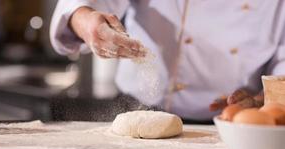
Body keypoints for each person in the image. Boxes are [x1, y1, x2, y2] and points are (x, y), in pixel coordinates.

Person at [50, 0, 285, 121]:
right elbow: (81, 6)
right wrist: (88, 21)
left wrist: (260, 102)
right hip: (137, 111)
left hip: (229, 126)